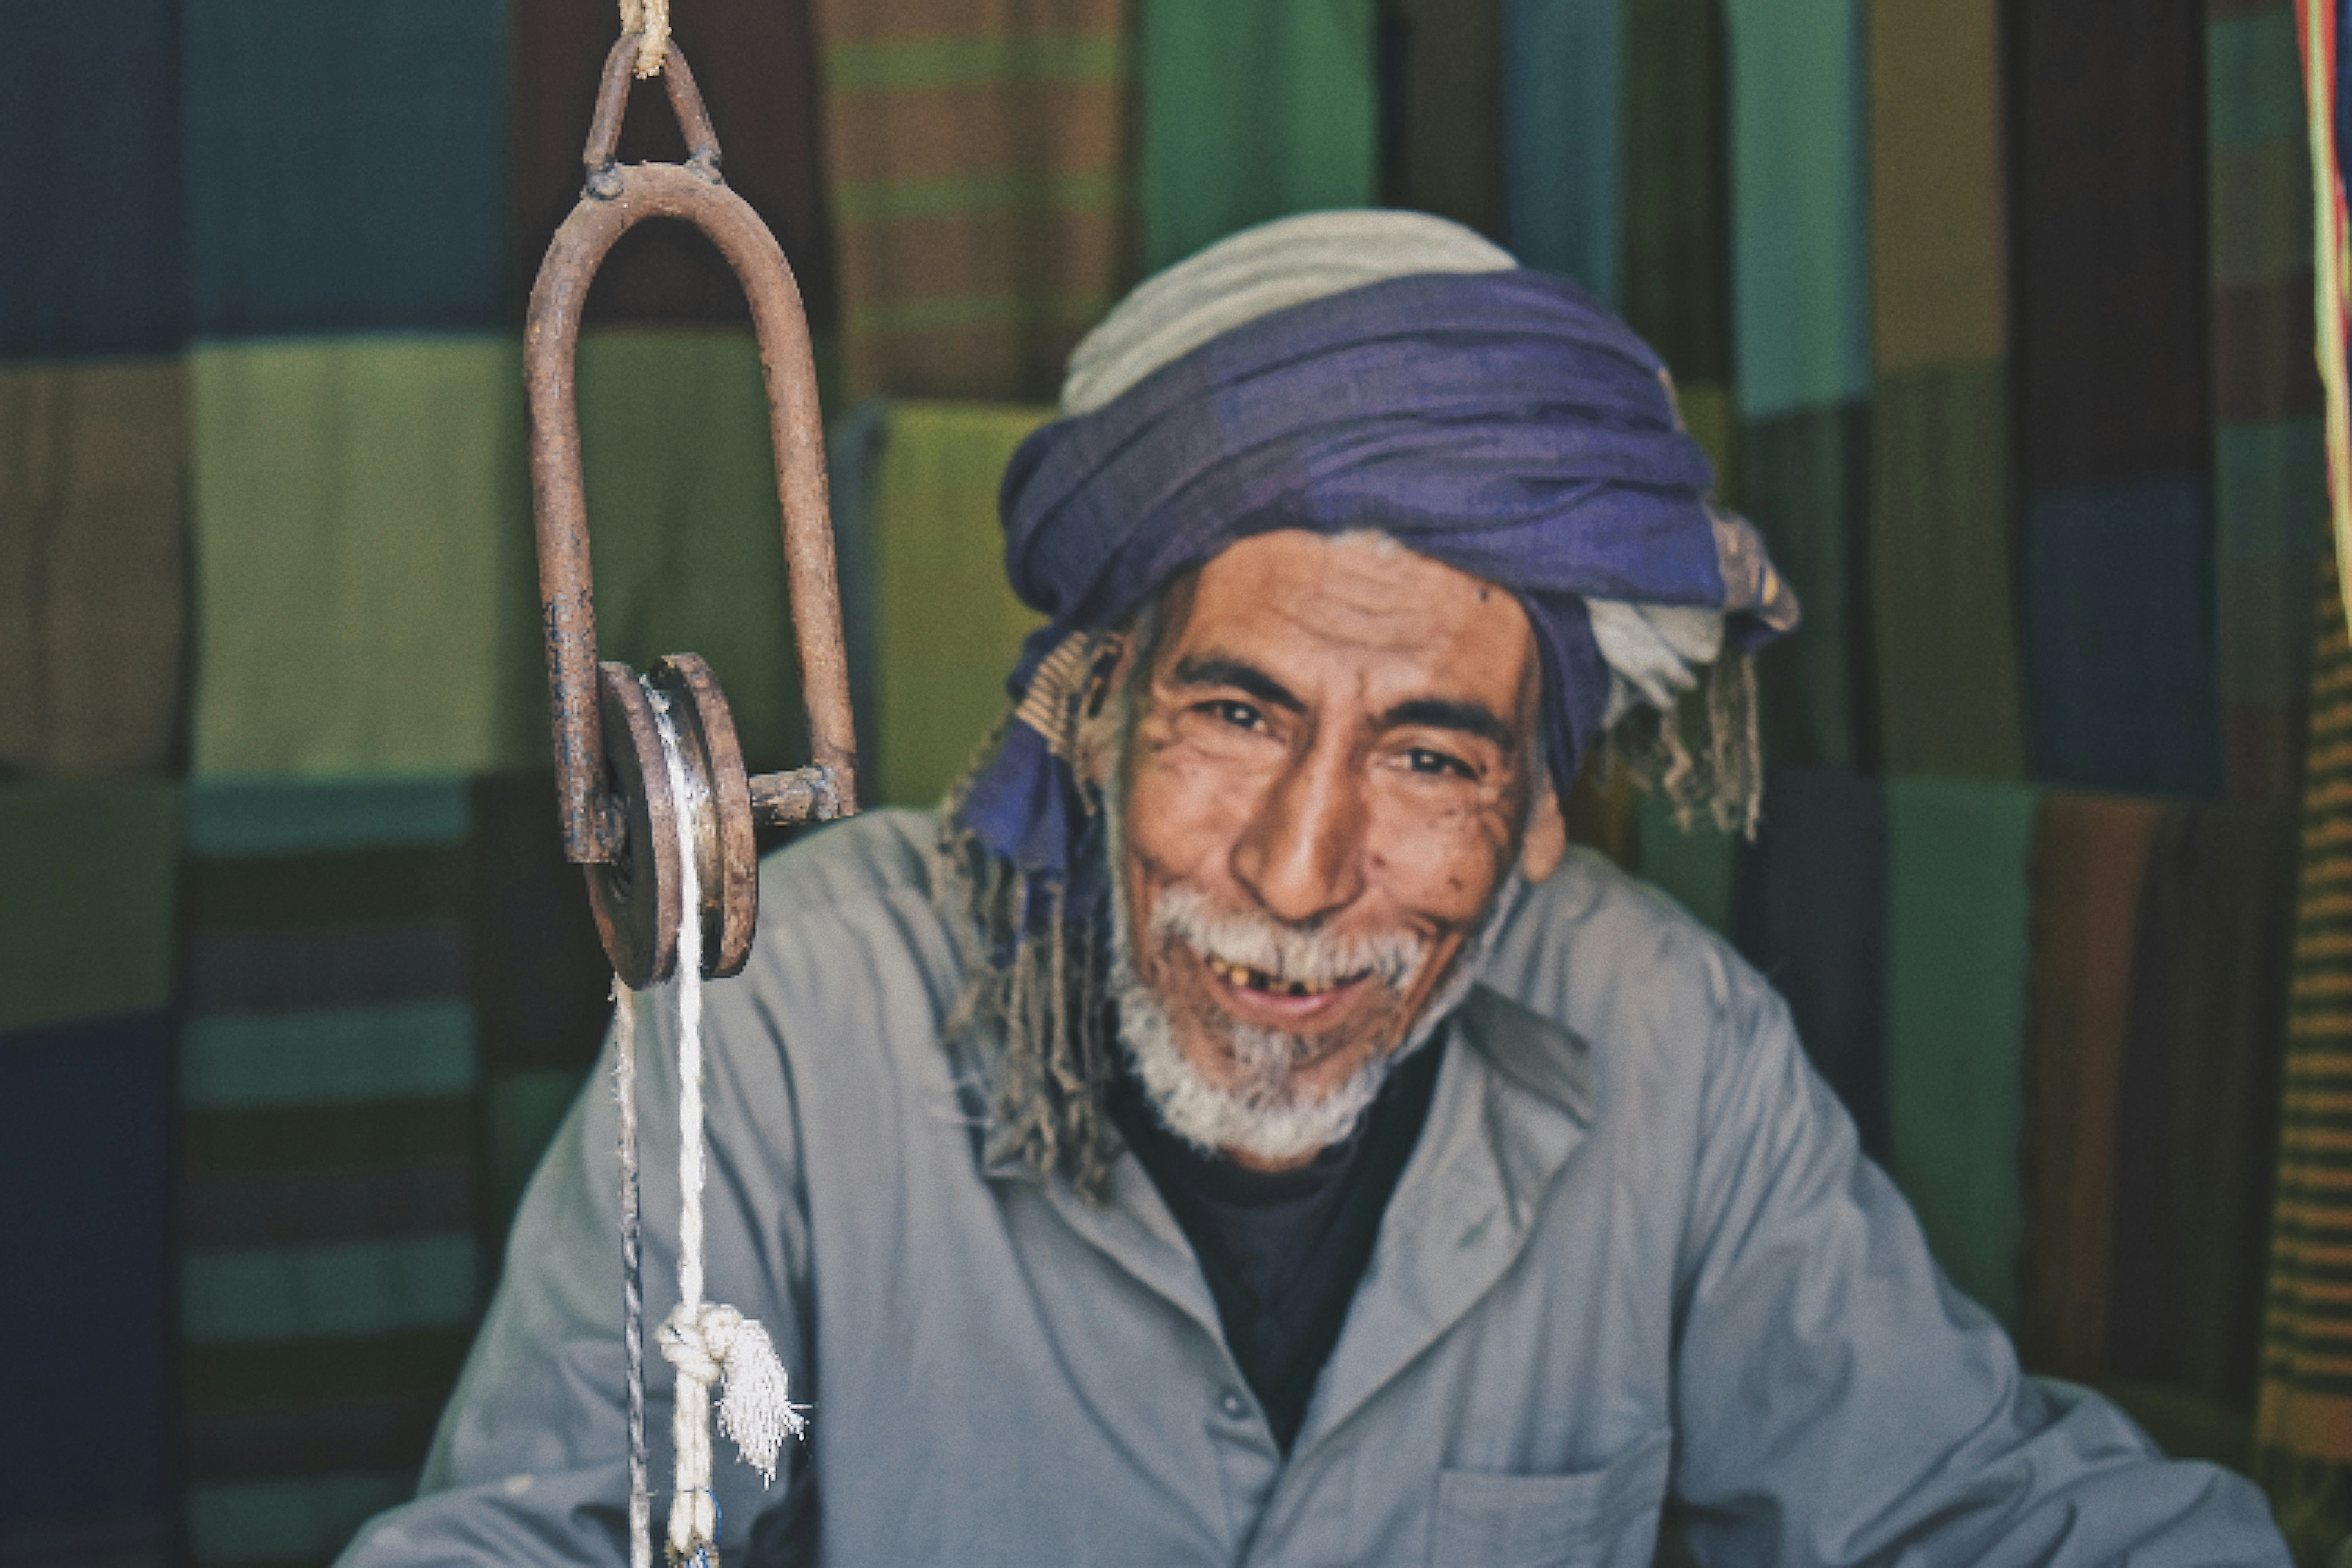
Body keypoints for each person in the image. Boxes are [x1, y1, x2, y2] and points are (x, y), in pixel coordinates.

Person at [341, 212, 2289, 1567]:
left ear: (1541, 814)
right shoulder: (788, 1021)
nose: (1294, 871)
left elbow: (1976, 1520)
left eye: (1434, 757)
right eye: (1237, 715)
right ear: (1092, 710)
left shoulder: (1669, 1049)